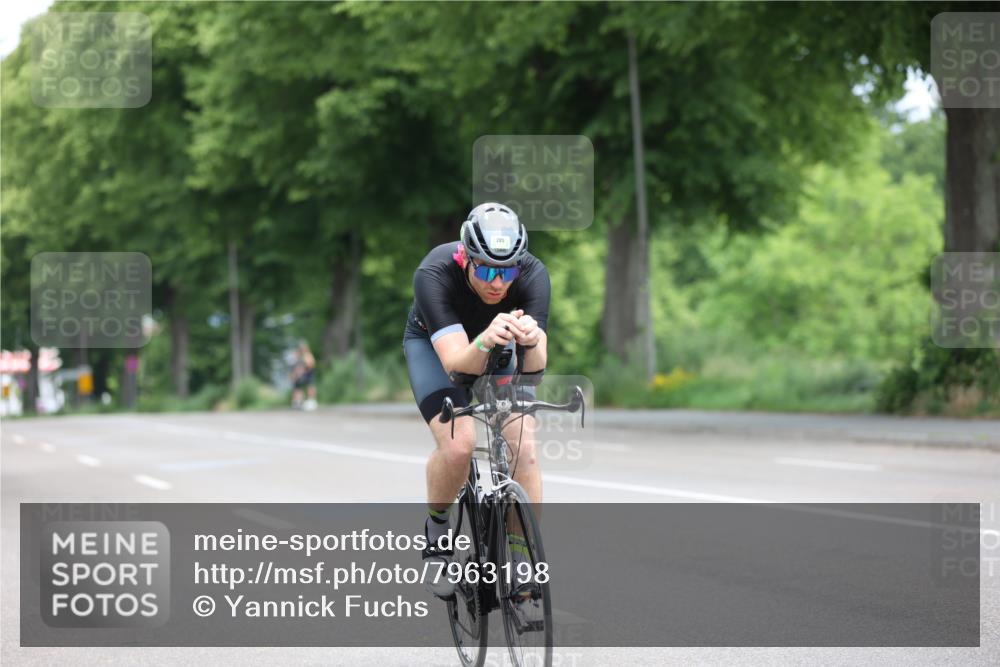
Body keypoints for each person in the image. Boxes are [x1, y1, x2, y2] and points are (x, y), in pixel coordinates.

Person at [402, 203, 549, 599]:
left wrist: (532, 340)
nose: (497, 283)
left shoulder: (533, 274)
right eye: (485, 271)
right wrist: (484, 338)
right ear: (466, 258)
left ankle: (520, 557)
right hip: (438, 349)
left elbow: (536, 368)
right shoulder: (433, 274)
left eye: (507, 272)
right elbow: (456, 366)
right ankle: (437, 532)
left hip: (499, 345)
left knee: (524, 446)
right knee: (458, 444)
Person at [290, 341, 317, 411]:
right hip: (299, 374)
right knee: (298, 388)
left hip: (308, 374)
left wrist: (302, 371)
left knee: (310, 386)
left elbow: (311, 365)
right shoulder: (296, 356)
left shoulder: (308, 356)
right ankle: (298, 402)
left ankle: (311, 401)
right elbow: (294, 366)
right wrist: (294, 374)